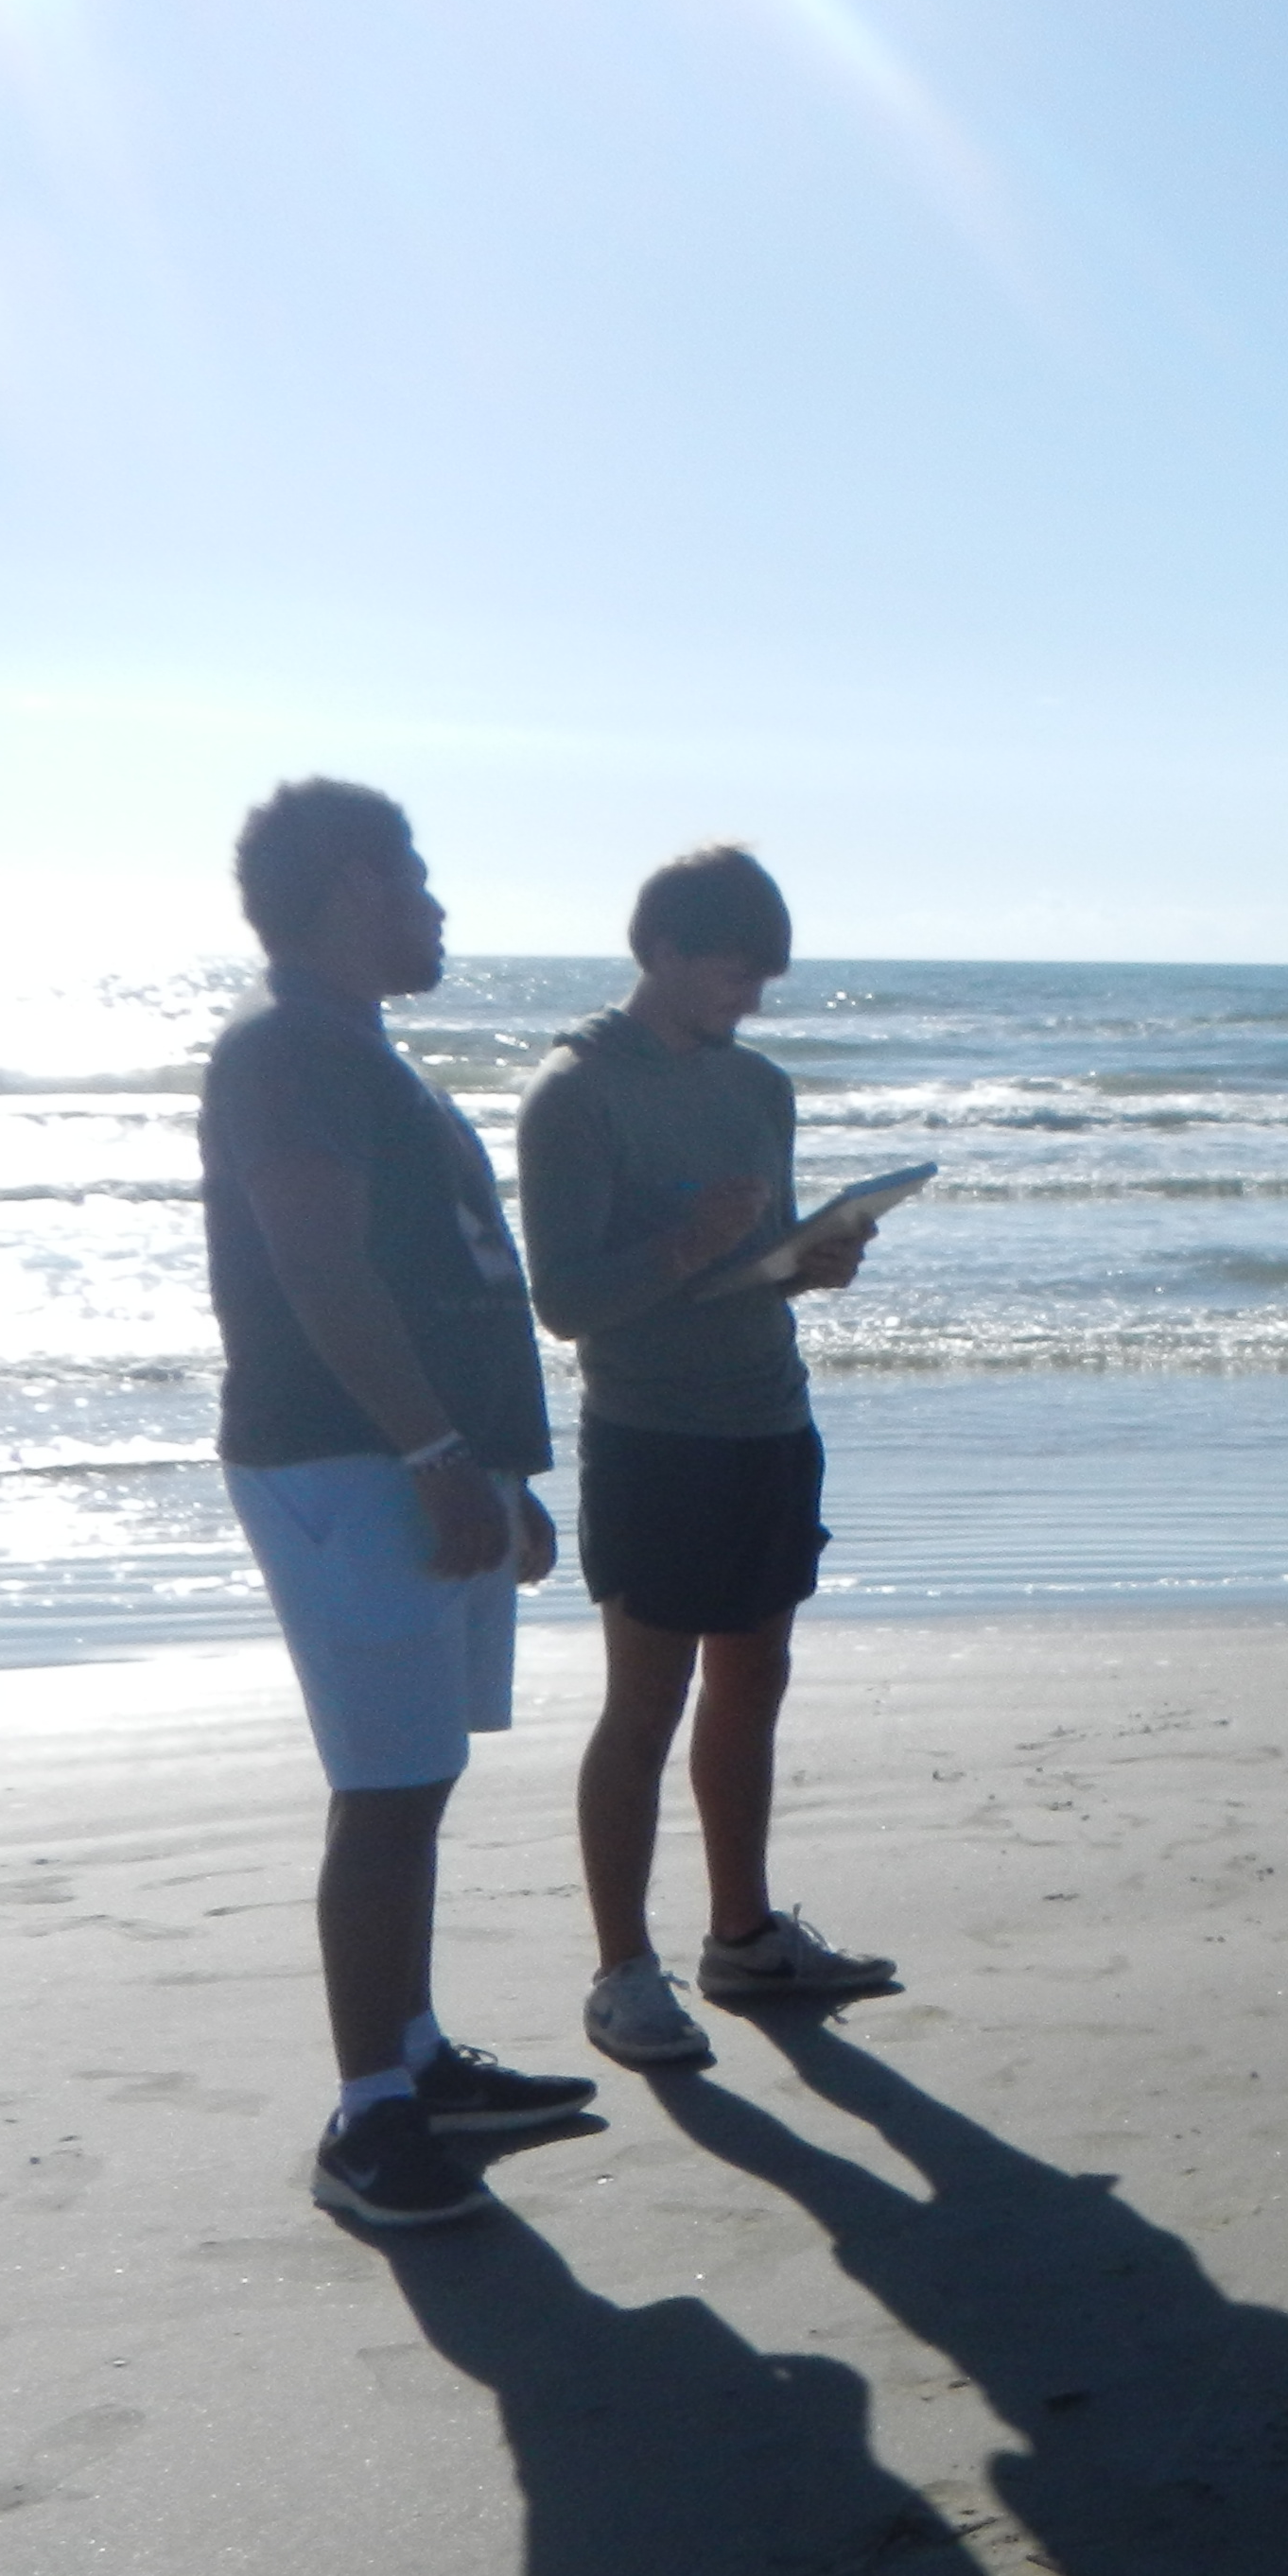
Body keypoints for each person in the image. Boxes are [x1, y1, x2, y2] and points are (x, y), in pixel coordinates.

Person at [199, 780, 595, 2228]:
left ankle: (418, 2059)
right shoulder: (288, 1050)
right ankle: (369, 2117)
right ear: (356, 885)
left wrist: (500, 1470)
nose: (436, 906)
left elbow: (450, 1277)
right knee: (383, 1788)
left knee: (419, 1774)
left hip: (421, 1457)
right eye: (417, 879)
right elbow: (320, 1269)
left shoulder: (364, 1057)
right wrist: (434, 1454)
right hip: (344, 1462)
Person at [516, 844, 895, 2073]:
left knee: (756, 1679)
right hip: (653, 1435)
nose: (749, 1004)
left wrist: (815, 1259)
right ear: (664, 951)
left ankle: (742, 1936)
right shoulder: (574, 1093)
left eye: (761, 985)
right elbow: (564, 1302)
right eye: (733, 977)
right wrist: (683, 1245)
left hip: (768, 1418)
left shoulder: (761, 1086)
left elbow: (759, 1258)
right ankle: (623, 1973)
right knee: (644, 1704)